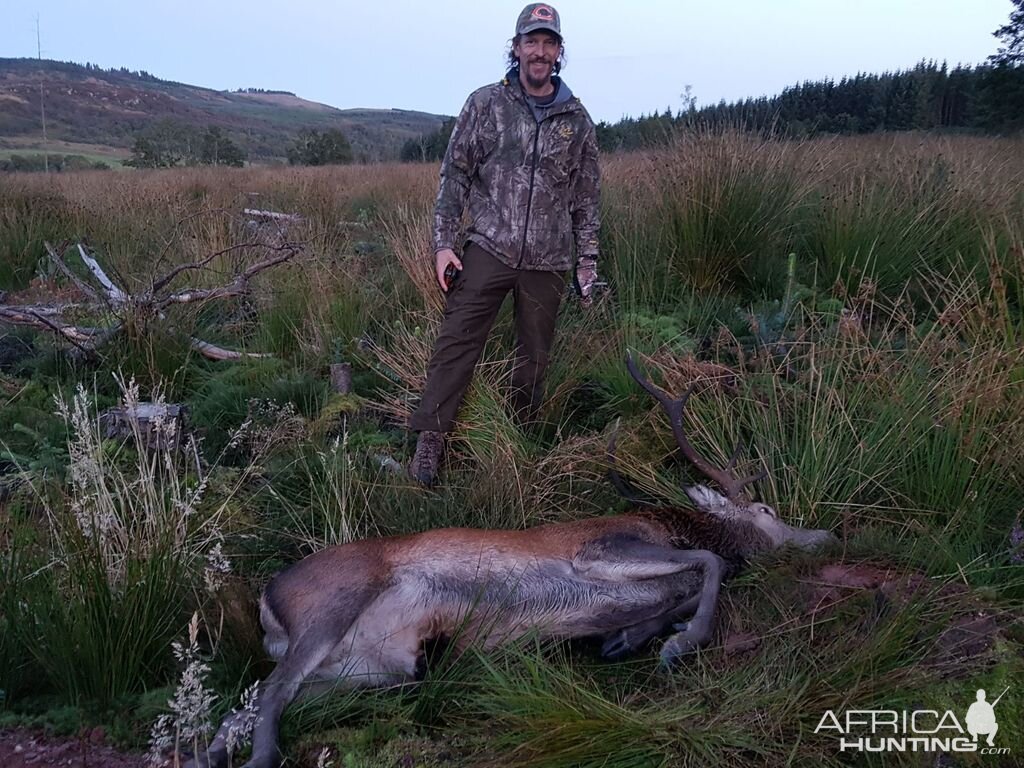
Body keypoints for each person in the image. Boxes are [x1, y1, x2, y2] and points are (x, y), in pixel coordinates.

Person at [407, 3, 602, 485]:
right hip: (488, 247)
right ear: (515, 49)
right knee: (456, 343)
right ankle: (431, 441)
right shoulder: (485, 104)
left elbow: (587, 198)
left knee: (534, 357)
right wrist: (443, 244)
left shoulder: (577, 121)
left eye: (548, 43)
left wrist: (587, 262)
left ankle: (517, 441)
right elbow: (455, 173)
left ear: (559, 53)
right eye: (530, 41)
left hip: (548, 259)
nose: (539, 51)